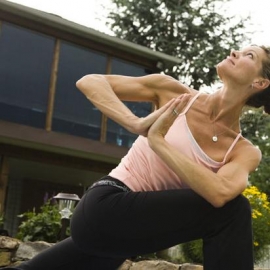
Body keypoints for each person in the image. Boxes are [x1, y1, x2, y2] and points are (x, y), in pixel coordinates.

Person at [6, 45, 270, 270]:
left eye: (249, 55)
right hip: (107, 205)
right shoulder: (174, 94)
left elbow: (221, 193)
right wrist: (134, 123)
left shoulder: (243, 150)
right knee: (234, 212)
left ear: (259, 83)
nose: (236, 51)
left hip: (125, 238)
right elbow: (90, 82)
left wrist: (158, 142)